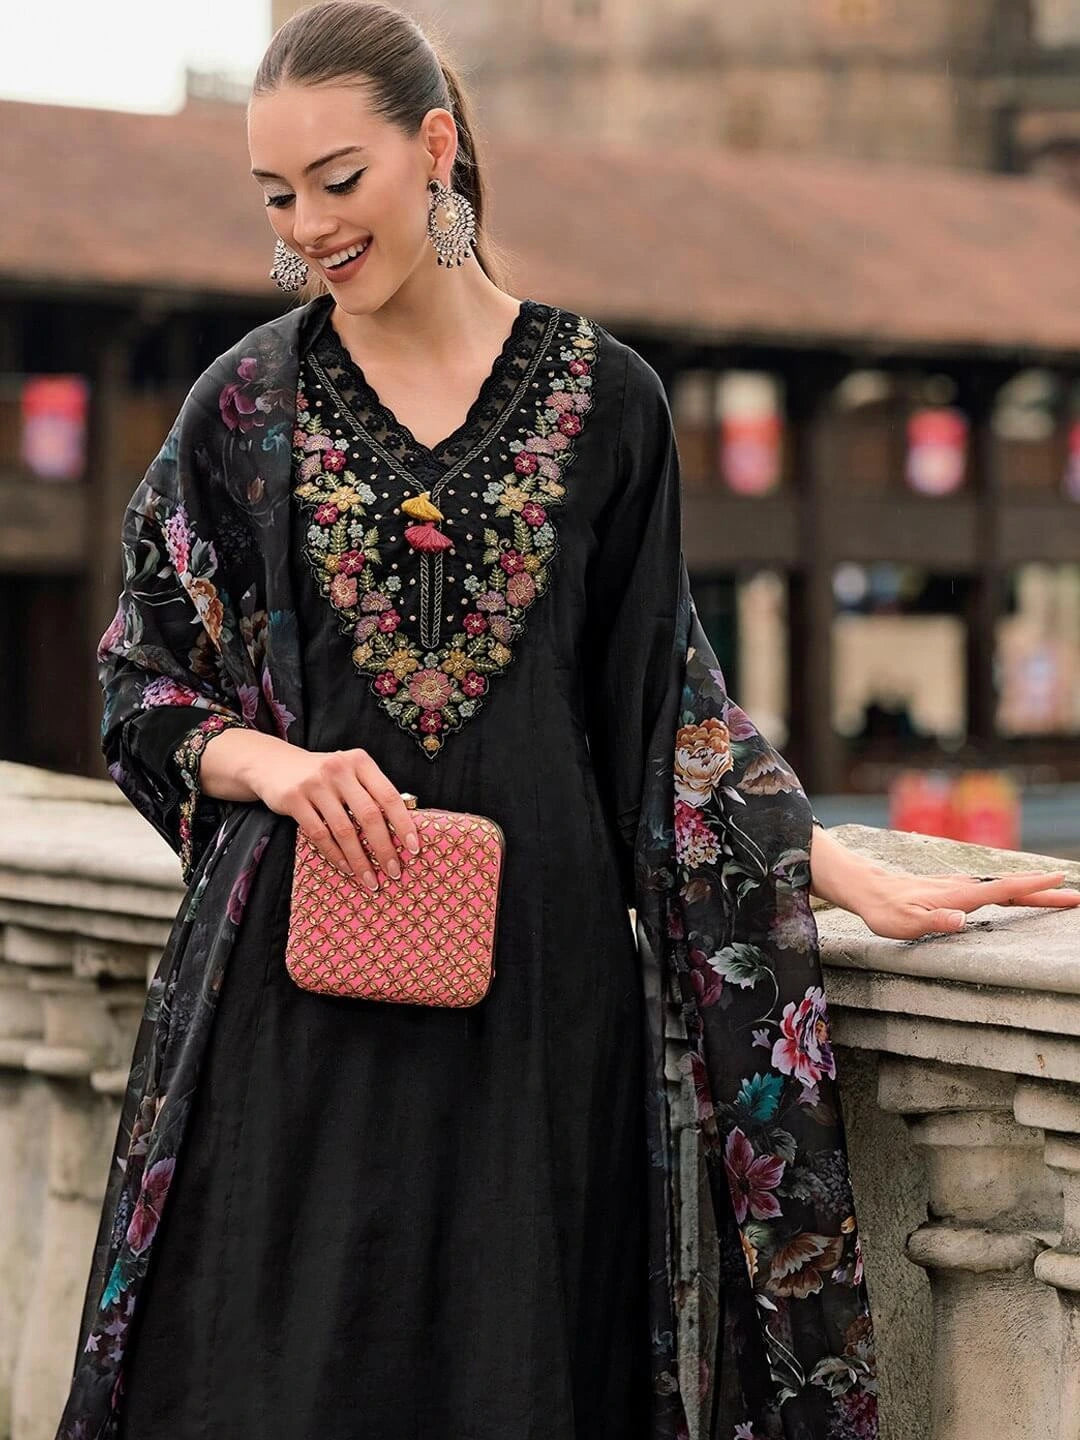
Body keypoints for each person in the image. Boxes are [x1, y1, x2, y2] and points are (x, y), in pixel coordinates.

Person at [54, 4, 1080, 1438]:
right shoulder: (246, 409)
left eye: (339, 181)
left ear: (435, 146)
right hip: (295, 1004)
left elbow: (664, 707)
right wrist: (273, 764)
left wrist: (828, 865)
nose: (309, 228)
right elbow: (141, 683)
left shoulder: (611, 405)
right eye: (276, 196)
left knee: (517, 1376)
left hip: (538, 1017)